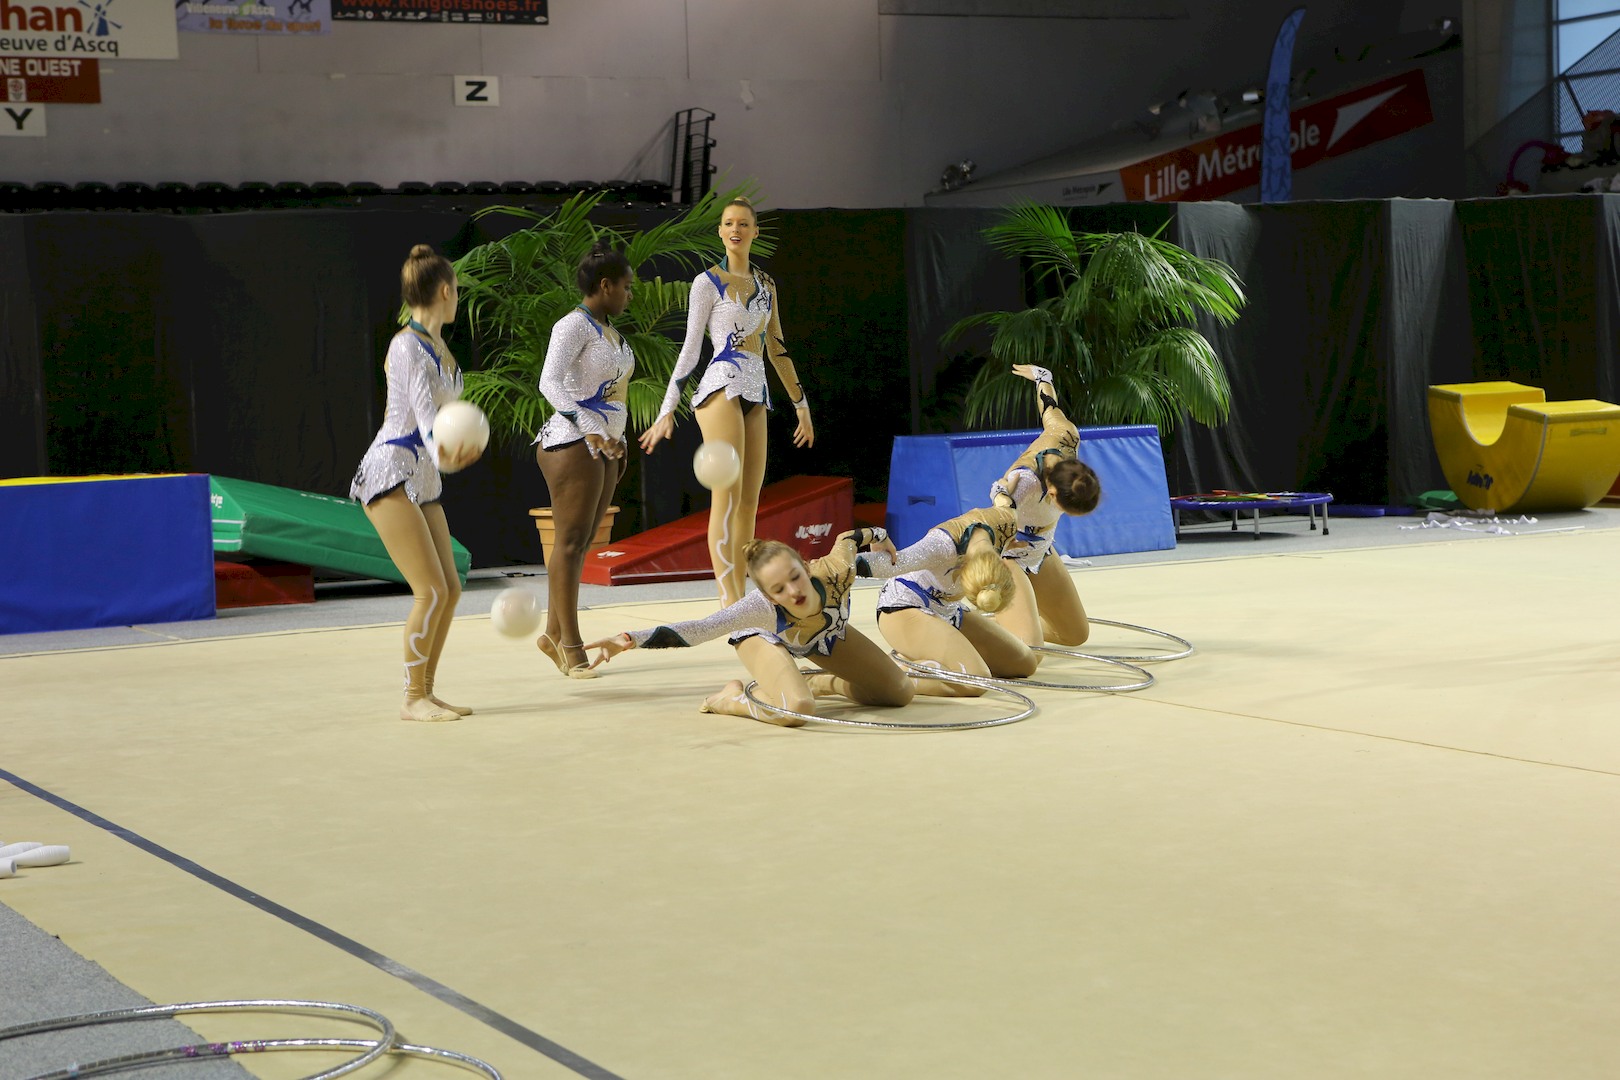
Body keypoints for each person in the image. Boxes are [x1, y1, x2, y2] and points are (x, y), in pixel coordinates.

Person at [637, 196, 814, 606]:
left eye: (743, 223)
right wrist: (667, 409)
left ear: (755, 232)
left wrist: (801, 405)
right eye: (729, 223)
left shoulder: (767, 284)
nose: (736, 229)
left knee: (749, 502)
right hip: (721, 387)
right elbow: (690, 349)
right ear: (720, 232)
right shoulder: (707, 283)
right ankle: (728, 601)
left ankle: (743, 597)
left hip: (757, 391)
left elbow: (777, 348)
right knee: (728, 497)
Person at [582, 529, 913, 727]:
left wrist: (881, 538)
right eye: (779, 589)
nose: (793, 592)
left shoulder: (836, 569)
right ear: (768, 595)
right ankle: (731, 699)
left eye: (795, 577)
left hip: (823, 636)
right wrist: (629, 638)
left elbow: (850, 537)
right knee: (797, 710)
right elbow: (701, 629)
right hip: (764, 638)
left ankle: (821, 683)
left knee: (898, 693)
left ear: (805, 565)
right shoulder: (758, 609)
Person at [350, 244, 482, 722]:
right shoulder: (405, 345)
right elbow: (427, 418)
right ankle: (412, 699)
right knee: (429, 590)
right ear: (445, 291)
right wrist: (450, 451)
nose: (457, 298)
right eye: (457, 290)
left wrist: (452, 449)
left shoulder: (440, 347)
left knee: (450, 587)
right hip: (390, 471)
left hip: (423, 477)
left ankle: (426, 690)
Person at [533, 244, 636, 679]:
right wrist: (588, 425)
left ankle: (552, 633)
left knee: (581, 543)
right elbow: (549, 382)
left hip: (604, 444)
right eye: (626, 286)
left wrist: (617, 437)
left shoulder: (609, 330)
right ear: (605, 285)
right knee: (571, 543)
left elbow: (617, 395)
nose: (629, 294)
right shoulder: (572, 325)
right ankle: (571, 645)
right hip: (572, 442)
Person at [857, 506, 1038, 696]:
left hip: (948, 607)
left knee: (1024, 663)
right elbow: (893, 564)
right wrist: (845, 562)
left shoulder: (1006, 523)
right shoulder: (940, 546)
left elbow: (1010, 497)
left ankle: (926, 654)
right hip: (904, 606)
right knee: (975, 681)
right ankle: (889, 671)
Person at [989, 364, 1102, 650]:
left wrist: (1043, 378)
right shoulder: (1025, 480)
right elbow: (997, 506)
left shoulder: (1067, 436)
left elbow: (1050, 408)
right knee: (1028, 650)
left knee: (1075, 635)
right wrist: (1002, 497)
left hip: (1040, 550)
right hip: (1006, 555)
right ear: (1051, 493)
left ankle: (1004, 629)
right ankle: (978, 632)